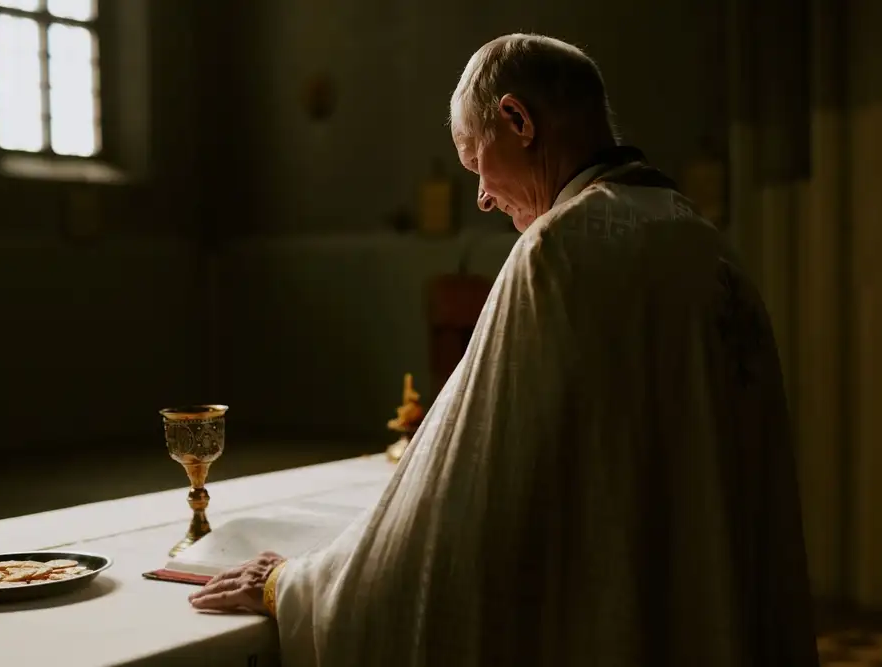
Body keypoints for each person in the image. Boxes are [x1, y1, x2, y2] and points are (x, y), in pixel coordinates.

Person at [188, 33, 820, 667]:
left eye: (476, 163)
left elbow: (452, 499)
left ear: (517, 120)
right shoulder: (705, 242)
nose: (484, 197)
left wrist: (294, 583)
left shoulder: (560, 251)